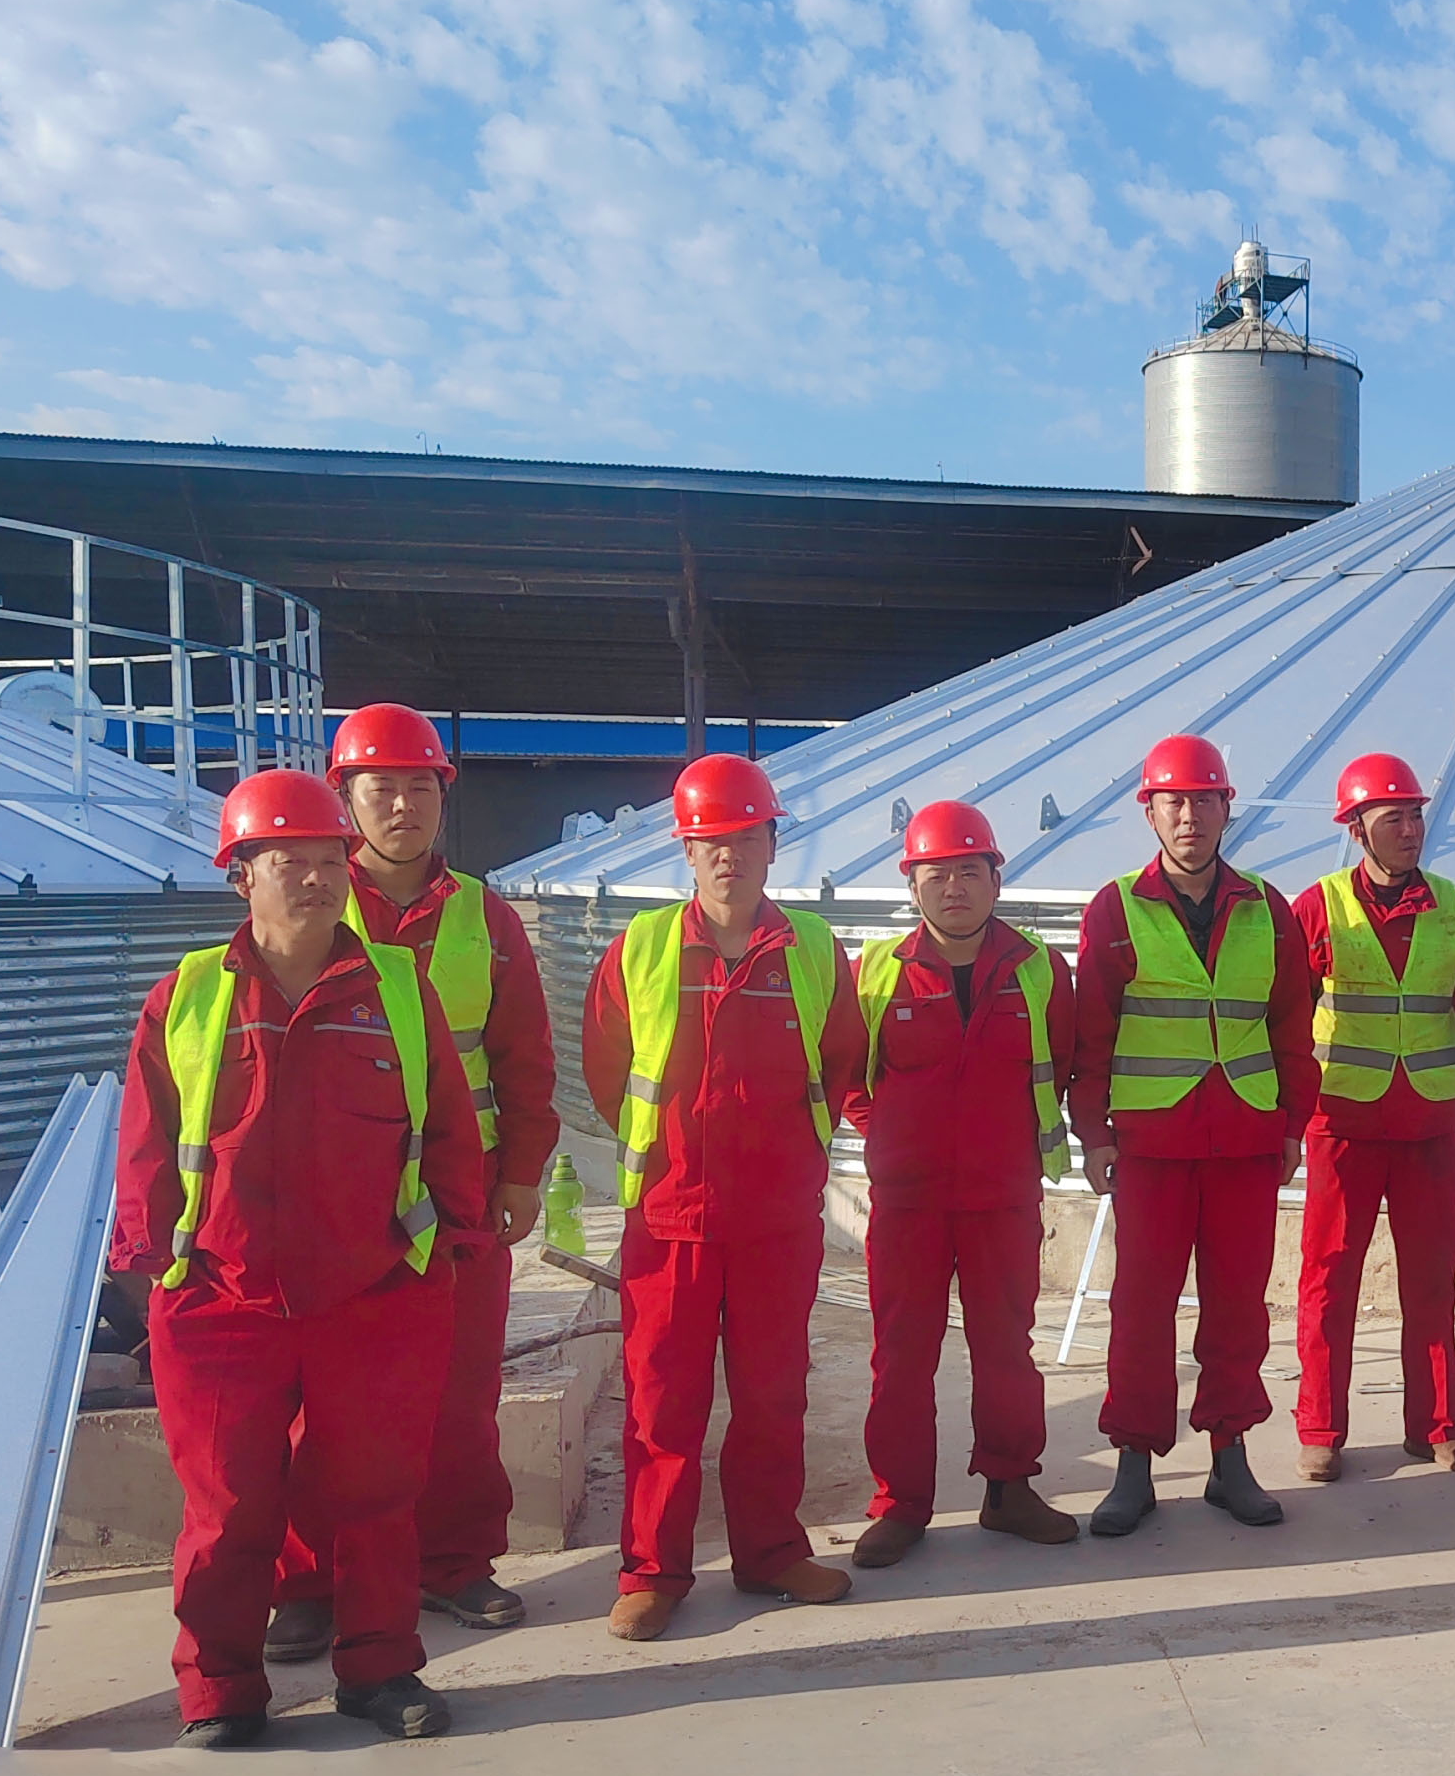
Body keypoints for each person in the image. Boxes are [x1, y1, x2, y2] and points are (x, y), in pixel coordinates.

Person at [110, 768, 486, 1744]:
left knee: (374, 1498)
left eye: (329, 862)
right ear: (242, 875)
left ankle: (379, 1671)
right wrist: (151, 1258)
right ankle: (220, 1692)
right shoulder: (187, 999)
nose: (316, 880)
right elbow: (146, 1143)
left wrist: (450, 1244)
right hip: (220, 1303)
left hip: (371, 1295)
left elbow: (447, 1128)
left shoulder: (396, 993)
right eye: (290, 862)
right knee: (230, 1509)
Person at [261, 702, 556, 1669]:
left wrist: (521, 1174)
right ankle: (309, 1583)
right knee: (322, 1396)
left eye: (420, 786)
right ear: (344, 801)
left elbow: (522, 1057)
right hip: (339, 1196)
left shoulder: (483, 915)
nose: (402, 805)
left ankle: (455, 1559)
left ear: (441, 798)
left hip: (460, 1192)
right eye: (380, 787)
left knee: (461, 1388)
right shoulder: (310, 899)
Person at [582, 753, 866, 1640]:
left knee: (774, 1392)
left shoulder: (812, 950)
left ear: (772, 843)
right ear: (687, 850)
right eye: (710, 840)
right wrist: (666, 1154)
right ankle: (653, 1571)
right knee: (662, 1398)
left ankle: (771, 1553)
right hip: (669, 1217)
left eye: (744, 837)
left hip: (778, 1219)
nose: (727, 856)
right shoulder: (643, 948)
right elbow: (603, 1068)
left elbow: (845, 1061)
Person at [1067, 733, 1319, 1536]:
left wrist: (1291, 1126)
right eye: (1173, 801)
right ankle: (1134, 1464)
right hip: (1152, 1143)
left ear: (1225, 809)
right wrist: (1095, 1134)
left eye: (1203, 800)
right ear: (1149, 812)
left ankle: (1230, 1457)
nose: (1189, 815)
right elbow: (1092, 1032)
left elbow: (1291, 1027)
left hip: (1244, 1136)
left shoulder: (1266, 907)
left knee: (1238, 1305)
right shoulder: (1115, 907)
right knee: (1142, 1306)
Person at [847, 800, 1081, 1567]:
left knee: (1007, 1348)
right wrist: (886, 1134)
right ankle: (901, 1503)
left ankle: (1010, 1488)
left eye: (970, 872)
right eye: (937, 874)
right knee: (902, 1353)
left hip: (1003, 1196)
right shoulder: (876, 971)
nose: (954, 888)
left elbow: (1067, 1061)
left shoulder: (1040, 969)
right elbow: (846, 1072)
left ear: (996, 879)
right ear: (911, 883)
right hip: (908, 1202)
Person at [1291, 753, 1455, 1479]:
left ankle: (1437, 1427)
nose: (1410, 830)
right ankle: (1321, 1430)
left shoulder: (1452, 906)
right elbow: (1292, 1015)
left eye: (1415, 816)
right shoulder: (1317, 906)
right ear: (1357, 828)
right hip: (1343, 1126)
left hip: (1428, 1125)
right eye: (1393, 818)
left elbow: (1451, 1008)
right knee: (1328, 1278)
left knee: (1432, 1278)